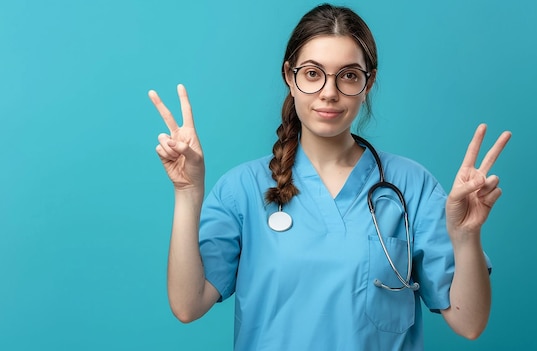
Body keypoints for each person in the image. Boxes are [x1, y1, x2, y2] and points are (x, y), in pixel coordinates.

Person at [149, 4, 511, 350]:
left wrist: (466, 238)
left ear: (368, 84)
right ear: (289, 77)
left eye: (349, 76)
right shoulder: (241, 189)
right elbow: (187, 305)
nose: (329, 92)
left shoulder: (411, 186)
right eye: (312, 73)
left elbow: (470, 324)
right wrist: (188, 191)